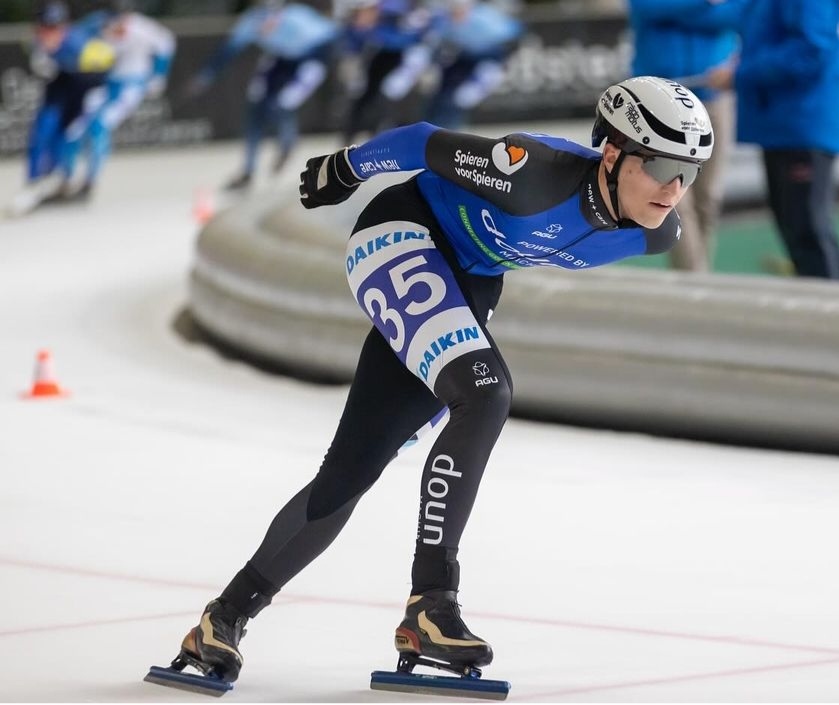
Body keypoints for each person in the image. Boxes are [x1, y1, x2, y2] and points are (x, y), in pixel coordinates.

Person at [162, 76, 713, 688]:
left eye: (690, 171)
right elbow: (423, 142)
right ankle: (432, 602)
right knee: (485, 391)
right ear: (611, 153)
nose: (675, 188)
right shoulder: (533, 172)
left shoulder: (653, 231)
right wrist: (344, 168)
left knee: (351, 472)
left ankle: (223, 618)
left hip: (470, 282)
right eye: (663, 164)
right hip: (401, 233)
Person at [709, 0, 839, 280]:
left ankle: (834, 313)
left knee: (808, 230)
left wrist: (742, 73)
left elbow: (812, 51)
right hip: (783, 125)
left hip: (803, 123)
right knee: (795, 229)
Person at [627, 0, 747, 272]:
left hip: (714, 96)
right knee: (674, 196)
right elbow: (645, 9)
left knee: (709, 198)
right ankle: (696, 280)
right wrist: (703, 4)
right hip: (660, 97)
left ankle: (695, 279)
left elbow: (733, 14)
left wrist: (677, 12)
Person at [189, 0, 340, 191]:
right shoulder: (251, 21)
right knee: (254, 107)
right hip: (280, 61)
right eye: (262, 26)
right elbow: (228, 51)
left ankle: (286, 145)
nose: (265, 29)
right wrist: (206, 76)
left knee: (283, 104)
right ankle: (248, 171)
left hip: (310, 61)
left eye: (271, 24)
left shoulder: (298, 18)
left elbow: (333, 37)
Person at [6, 1, 114, 217]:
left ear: (65, 27)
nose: (48, 34)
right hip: (62, 81)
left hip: (88, 85)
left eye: (54, 28)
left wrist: (95, 96)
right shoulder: (35, 43)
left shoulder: (82, 47)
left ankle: (72, 180)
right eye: (43, 28)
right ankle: (35, 181)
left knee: (73, 133)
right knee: (42, 127)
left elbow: (106, 68)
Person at [63, 0, 175, 200]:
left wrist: (159, 74)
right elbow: (71, 34)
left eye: (124, 19)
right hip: (105, 83)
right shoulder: (97, 23)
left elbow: (166, 43)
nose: (119, 25)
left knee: (99, 126)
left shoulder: (142, 27)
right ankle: (65, 179)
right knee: (75, 127)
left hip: (131, 85)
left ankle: (90, 182)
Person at [381, 0, 522, 130]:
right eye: (453, 11)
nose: (456, 15)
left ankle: (448, 130)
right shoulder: (442, 19)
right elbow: (428, 42)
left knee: (463, 97)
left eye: (460, 11)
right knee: (441, 94)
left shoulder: (489, 22)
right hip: (458, 59)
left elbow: (513, 40)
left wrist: (493, 72)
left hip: (484, 60)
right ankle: (428, 128)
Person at [337, 0, 430, 143]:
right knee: (363, 96)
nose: (359, 19)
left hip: (404, 56)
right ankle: (350, 136)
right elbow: (352, 47)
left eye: (361, 13)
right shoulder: (355, 27)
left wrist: (411, 67)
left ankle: (385, 136)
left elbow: (420, 37)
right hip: (379, 55)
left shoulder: (396, 12)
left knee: (389, 95)